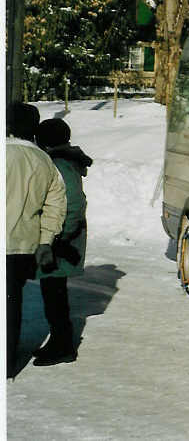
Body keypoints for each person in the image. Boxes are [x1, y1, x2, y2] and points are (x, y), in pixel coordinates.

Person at [6, 102, 67, 377]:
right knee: (11, 302)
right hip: (24, 246)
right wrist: (45, 241)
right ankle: (8, 362)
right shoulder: (44, 161)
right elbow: (56, 206)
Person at [33, 118, 93, 366]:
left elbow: (74, 205)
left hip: (61, 244)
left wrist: (57, 237)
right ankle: (60, 342)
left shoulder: (60, 165)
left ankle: (63, 345)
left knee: (55, 295)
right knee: (53, 293)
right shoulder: (64, 161)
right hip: (63, 241)